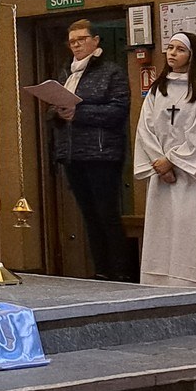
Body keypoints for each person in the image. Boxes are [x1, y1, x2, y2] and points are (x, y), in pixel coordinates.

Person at [134, 32, 196, 293]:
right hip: (162, 174)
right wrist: (158, 163)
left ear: (192, 55)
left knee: (191, 226)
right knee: (164, 227)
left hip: (192, 174)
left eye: (180, 49)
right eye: (170, 48)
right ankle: (160, 282)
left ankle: (193, 283)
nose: (172, 53)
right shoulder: (158, 89)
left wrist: (173, 161)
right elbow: (145, 129)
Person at [51, 19, 133, 281]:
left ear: (95, 41)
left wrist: (79, 112)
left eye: (81, 40)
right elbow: (55, 109)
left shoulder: (111, 72)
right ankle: (101, 271)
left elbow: (118, 111)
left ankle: (121, 272)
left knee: (106, 213)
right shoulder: (67, 72)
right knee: (88, 215)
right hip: (73, 153)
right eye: (72, 41)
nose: (76, 45)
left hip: (102, 153)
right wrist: (58, 112)